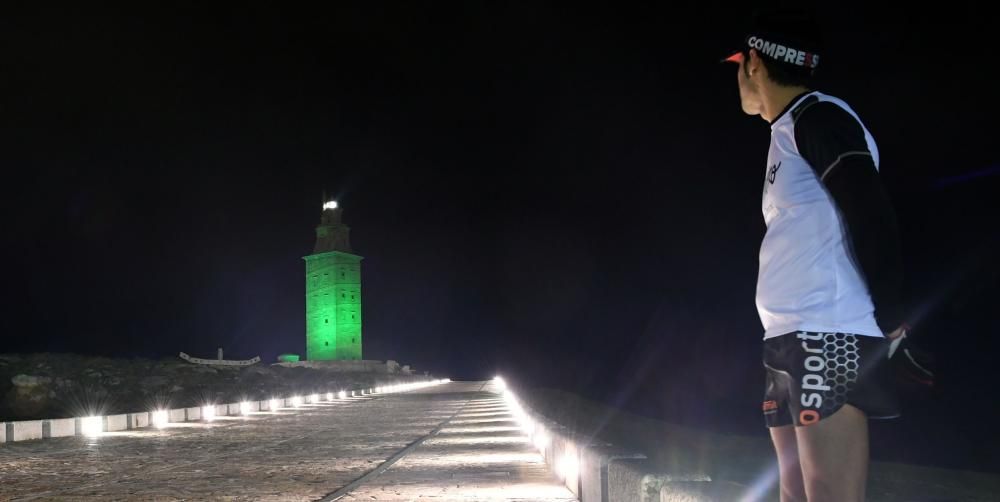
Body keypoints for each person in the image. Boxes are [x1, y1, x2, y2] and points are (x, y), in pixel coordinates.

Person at [723, 8, 907, 501]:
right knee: (795, 493)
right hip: (789, 335)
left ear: (755, 64)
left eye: (739, 65)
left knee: (828, 496)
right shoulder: (785, 132)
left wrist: (893, 313)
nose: (738, 76)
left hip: (829, 332)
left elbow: (870, 208)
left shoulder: (819, 117)